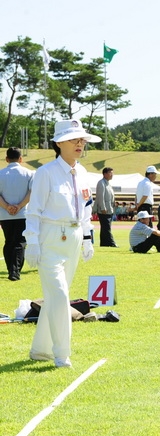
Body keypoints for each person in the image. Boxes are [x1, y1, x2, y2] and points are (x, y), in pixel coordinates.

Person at [23, 120, 100, 368]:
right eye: (74, 139)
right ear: (58, 143)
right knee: (59, 295)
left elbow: (86, 208)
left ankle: (40, 350)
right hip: (51, 237)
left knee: (56, 295)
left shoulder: (84, 172)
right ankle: (61, 353)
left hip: (74, 238)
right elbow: (33, 211)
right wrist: (32, 241)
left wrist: (88, 238)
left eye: (82, 139)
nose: (80, 143)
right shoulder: (45, 173)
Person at [0, 147, 34, 281]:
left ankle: (11, 269)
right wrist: (19, 206)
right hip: (23, 213)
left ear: (7, 159)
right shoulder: (29, 173)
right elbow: (31, 193)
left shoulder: (1, 173)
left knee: (9, 241)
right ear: (21, 158)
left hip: (4, 214)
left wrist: (7, 206)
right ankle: (16, 271)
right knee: (20, 242)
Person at [95, 167, 117, 247]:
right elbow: (100, 196)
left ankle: (104, 243)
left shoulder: (108, 183)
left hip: (109, 209)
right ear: (104, 174)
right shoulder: (101, 183)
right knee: (106, 227)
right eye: (110, 173)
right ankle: (111, 243)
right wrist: (103, 207)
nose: (112, 175)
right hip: (104, 209)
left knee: (105, 227)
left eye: (112, 173)